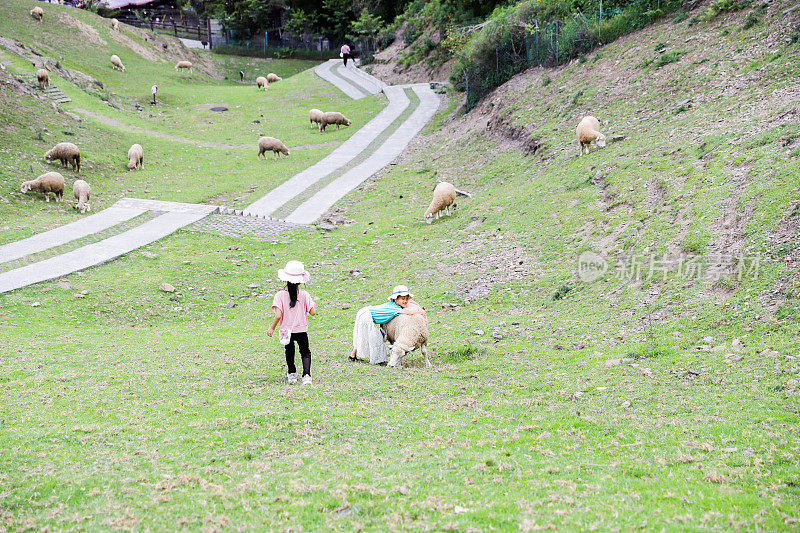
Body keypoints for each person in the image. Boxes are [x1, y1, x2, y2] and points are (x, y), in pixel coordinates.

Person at [267, 260, 317, 385]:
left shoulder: (279, 296)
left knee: (289, 350)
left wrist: (272, 328)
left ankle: (292, 374)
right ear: (300, 281)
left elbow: (278, 315)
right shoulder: (305, 295)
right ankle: (306, 376)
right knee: (305, 351)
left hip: (286, 330)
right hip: (301, 329)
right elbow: (312, 312)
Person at [350, 285, 425, 364]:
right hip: (367, 316)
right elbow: (408, 312)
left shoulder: (393, 304)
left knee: (362, 336)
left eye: (406, 298)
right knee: (371, 337)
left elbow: (410, 302)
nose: (405, 301)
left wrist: (419, 306)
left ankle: (352, 356)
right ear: (396, 299)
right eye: (403, 299)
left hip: (365, 312)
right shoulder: (396, 309)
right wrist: (420, 312)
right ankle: (375, 360)